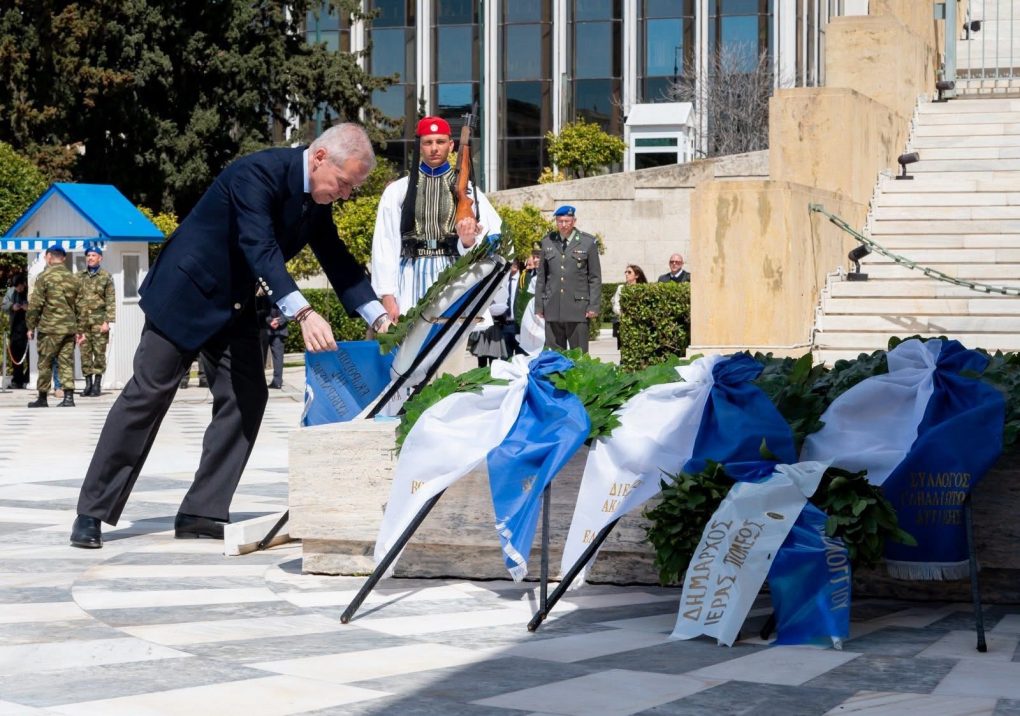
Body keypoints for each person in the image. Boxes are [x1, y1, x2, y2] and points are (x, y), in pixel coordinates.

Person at [70, 122, 390, 549]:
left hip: (233, 305)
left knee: (247, 397)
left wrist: (378, 315)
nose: (345, 194)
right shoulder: (255, 174)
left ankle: (203, 510)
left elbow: (336, 258)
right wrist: (304, 312)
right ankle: (91, 512)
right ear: (319, 158)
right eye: (344, 183)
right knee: (148, 395)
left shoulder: (317, 199)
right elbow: (260, 247)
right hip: (185, 293)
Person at [371, 115, 502, 322]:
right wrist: (387, 295)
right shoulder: (398, 190)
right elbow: (385, 244)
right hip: (410, 275)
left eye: (440, 142)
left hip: (452, 274)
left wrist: (468, 241)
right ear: (419, 146)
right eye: (428, 142)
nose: (434, 148)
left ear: (451, 146)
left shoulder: (468, 191)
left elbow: (493, 238)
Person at [535, 205, 602, 352]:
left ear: (574, 221)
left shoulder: (587, 242)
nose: (563, 225)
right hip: (552, 308)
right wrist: (539, 306)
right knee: (554, 357)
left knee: (579, 356)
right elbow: (542, 277)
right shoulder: (547, 242)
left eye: (567, 221)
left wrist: (593, 306)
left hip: (578, 308)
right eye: (560, 221)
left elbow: (595, 277)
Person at [26, 245, 83, 408]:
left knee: (45, 362)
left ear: (49, 257)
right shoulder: (74, 278)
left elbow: (36, 304)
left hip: (49, 328)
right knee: (66, 362)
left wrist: (30, 326)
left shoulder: (44, 277)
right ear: (63, 258)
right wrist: (81, 330)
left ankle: (43, 398)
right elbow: (81, 306)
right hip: (68, 328)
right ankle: (69, 398)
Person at [78, 244, 116, 397]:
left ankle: (97, 384)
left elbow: (110, 300)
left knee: (99, 353)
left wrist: (108, 321)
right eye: (88, 255)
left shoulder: (106, 276)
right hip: (82, 322)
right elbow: (74, 299)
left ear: (100, 258)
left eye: (93, 255)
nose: (90, 258)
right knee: (85, 353)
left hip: (99, 320)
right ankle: (87, 384)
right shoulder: (79, 276)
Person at [2, 273, 30, 389]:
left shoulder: (30, 291)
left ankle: (28, 378)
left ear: (24, 284)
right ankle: (17, 380)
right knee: (16, 354)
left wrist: (28, 307)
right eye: (16, 287)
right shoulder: (10, 292)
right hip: (15, 327)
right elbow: (3, 305)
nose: (18, 289)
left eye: (20, 286)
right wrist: (12, 306)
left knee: (30, 356)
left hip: (29, 328)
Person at [611, 264, 648, 349]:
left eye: (629, 272)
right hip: (624, 324)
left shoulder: (644, 289)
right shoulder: (621, 288)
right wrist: (623, 313)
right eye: (626, 272)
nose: (626, 274)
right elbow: (616, 305)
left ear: (637, 275)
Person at [257, 291, 289, 389]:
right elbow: (258, 312)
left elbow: (289, 313)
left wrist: (278, 321)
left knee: (276, 357)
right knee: (264, 356)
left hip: (276, 330)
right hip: (265, 329)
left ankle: (276, 381)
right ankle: (270, 382)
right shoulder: (263, 296)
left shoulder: (284, 296)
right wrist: (272, 321)